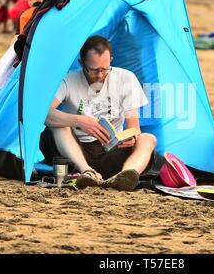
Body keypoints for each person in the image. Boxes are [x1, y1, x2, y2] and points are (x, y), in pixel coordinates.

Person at [40, 35, 158, 191]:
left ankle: (125, 176)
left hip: (111, 150)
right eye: (94, 70)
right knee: (59, 125)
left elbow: (134, 128)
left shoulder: (126, 78)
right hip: (76, 150)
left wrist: (131, 137)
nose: (100, 75)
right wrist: (78, 121)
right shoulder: (69, 80)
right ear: (82, 64)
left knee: (148, 138)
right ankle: (87, 173)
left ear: (111, 61)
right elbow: (44, 114)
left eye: (105, 69)